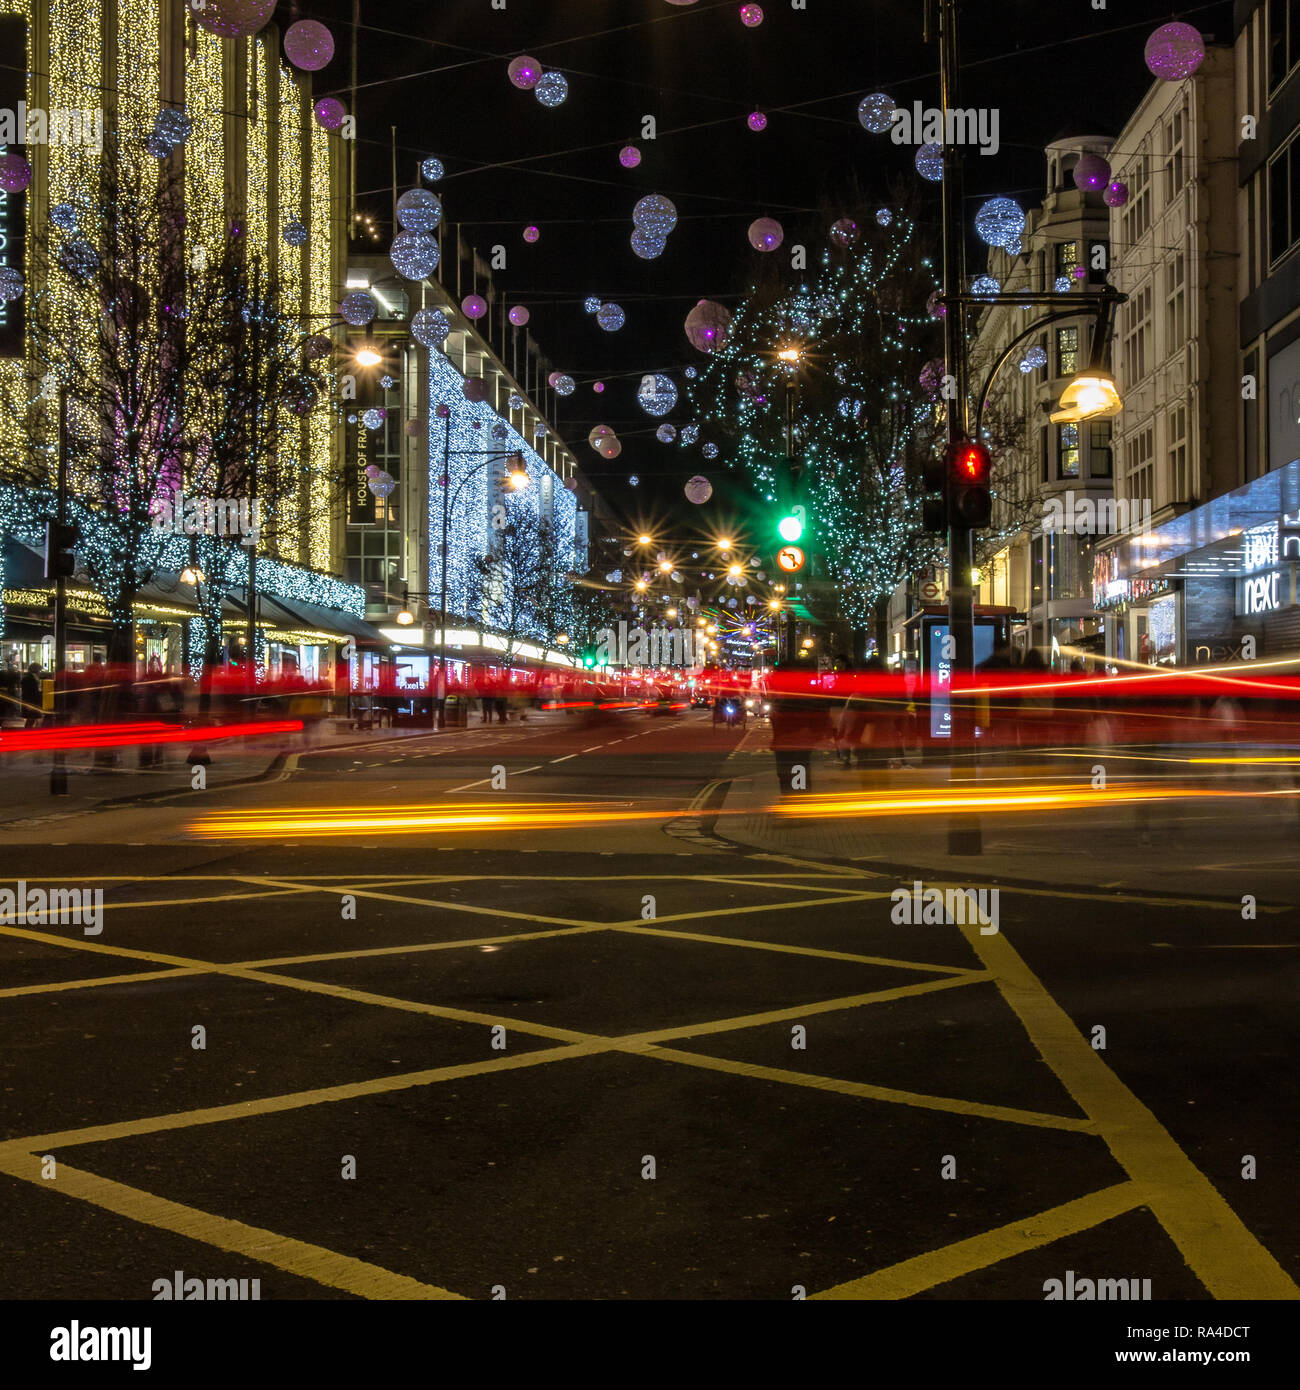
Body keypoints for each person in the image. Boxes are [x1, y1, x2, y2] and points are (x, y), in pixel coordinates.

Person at [768, 652, 832, 795]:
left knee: (794, 780)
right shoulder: (792, 695)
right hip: (794, 744)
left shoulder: (793, 698)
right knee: (795, 779)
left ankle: (795, 806)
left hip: (792, 744)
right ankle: (795, 804)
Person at [21, 662, 43, 727]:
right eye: (39, 670)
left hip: (32, 702)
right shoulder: (29, 678)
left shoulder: (30, 677)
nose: (40, 672)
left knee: (32, 719)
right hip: (31, 702)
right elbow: (28, 692)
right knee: (31, 719)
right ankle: (27, 733)